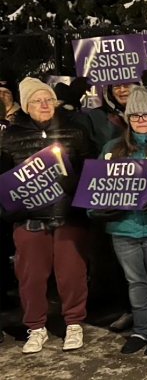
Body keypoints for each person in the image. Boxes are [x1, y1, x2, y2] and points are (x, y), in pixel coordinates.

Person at [0, 78, 96, 354]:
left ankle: (74, 323)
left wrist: (74, 184)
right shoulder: (9, 136)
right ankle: (35, 326)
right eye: (37, 101)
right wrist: (7, 208)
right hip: (29, 219)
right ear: (26, 106)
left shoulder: (74, 132)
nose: (44, 105)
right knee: (30, 276)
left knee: (72, 274)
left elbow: (90, 170)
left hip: (69, 217)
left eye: (48, 99)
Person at [89, 87, 147, 356]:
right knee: (136, 282)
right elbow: (96, 189)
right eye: (135, 115)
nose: (141, 120)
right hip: (123, 228)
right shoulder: (112, 150)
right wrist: (95, 212)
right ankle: (140, 330)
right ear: (128, 119)